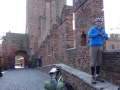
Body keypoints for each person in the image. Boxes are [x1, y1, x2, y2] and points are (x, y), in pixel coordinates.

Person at [88, 17, 108, 84]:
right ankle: (92, 77)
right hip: (93, 46)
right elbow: (89, 35)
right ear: (95, 22)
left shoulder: (103, 29)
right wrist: (97, 34)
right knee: (93, 61)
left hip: (100, 47)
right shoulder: (92, 29)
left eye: (100, 22)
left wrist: (105, 36)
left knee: (99, 62)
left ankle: (97, 76)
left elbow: (106, 37)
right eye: (98, 22)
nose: (99, 23)